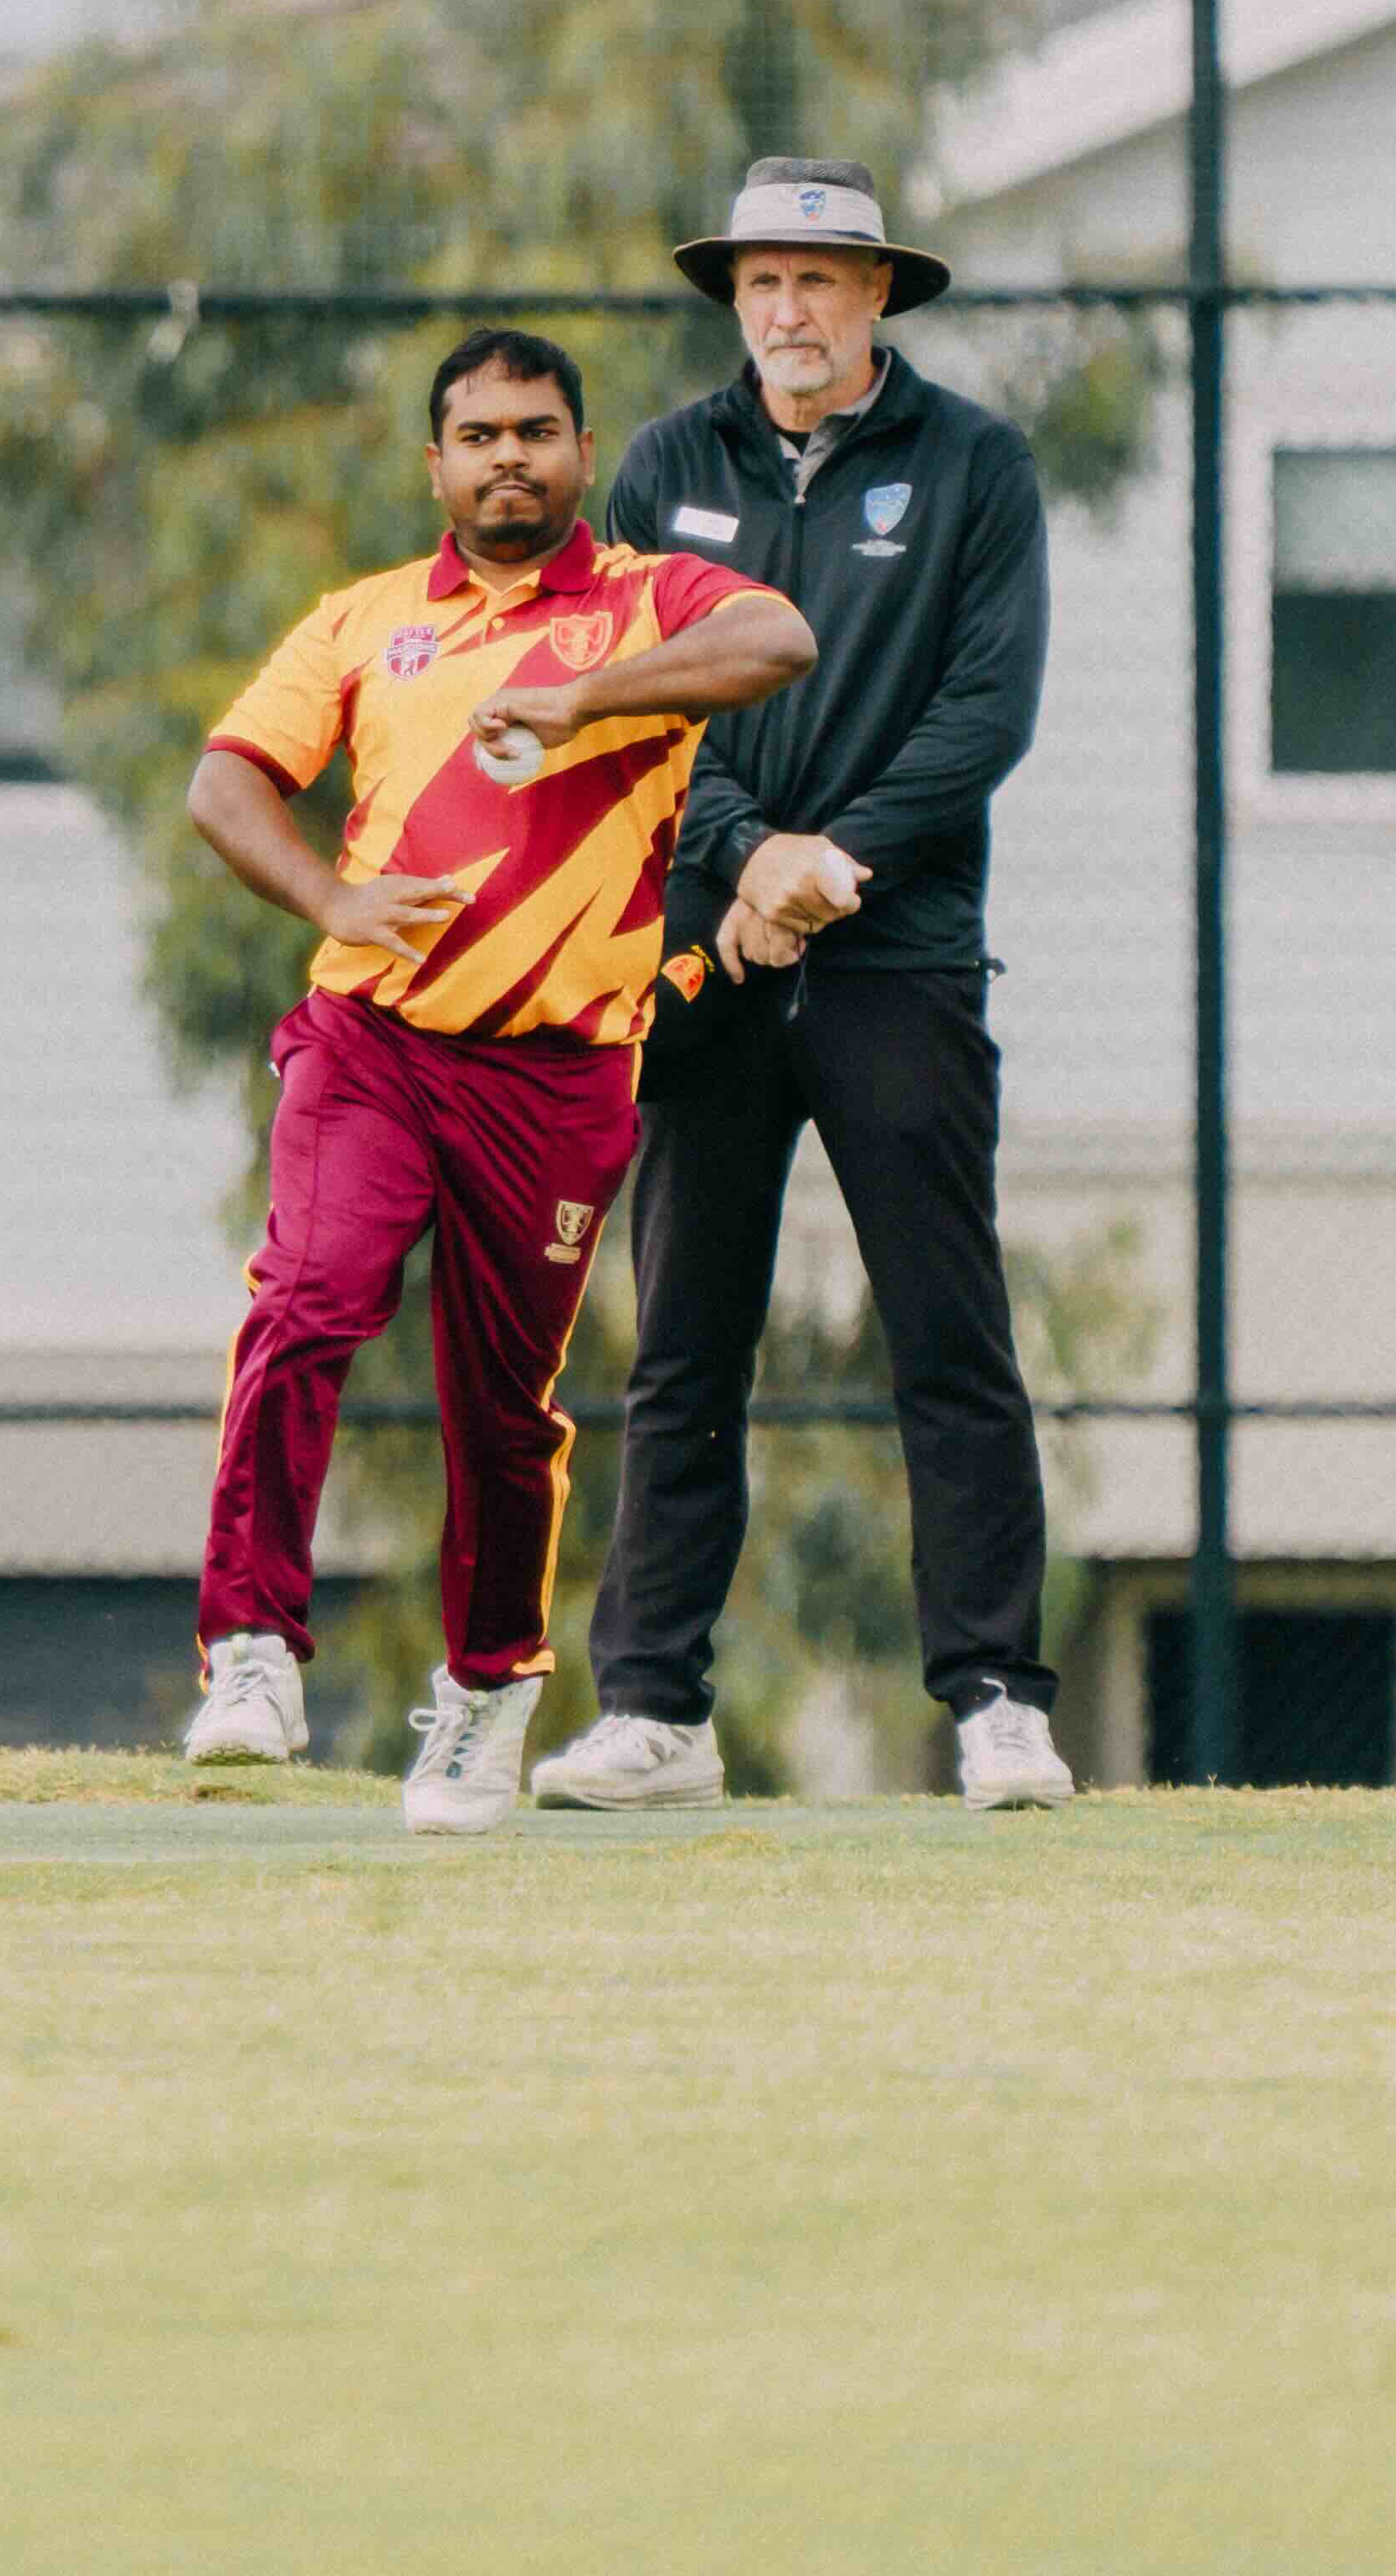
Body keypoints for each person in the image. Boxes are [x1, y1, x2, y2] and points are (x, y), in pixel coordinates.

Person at [176, 328, 816, 1833]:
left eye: (537, 431)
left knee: (502, 1405)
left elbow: (782, 643)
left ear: (583, 453)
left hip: (561, 1077)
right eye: (478, 436)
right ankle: (254, 1646)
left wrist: (584, 704)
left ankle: (485, 1695)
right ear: (437, 465)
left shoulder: (652, 602)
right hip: (374, 1041)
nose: (508, 458)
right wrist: (328, 905)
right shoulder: (365, 619)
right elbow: (225, 784)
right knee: (310, 1297)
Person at [529, 156, 1072, 1815]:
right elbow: (618, 697)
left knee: (947, 1327)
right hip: (703, 939)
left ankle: (994, 1699)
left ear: (879, 295)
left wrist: (835, 858)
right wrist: (750, 850)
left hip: (895, 941)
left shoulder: (975, 465)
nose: (788, 312)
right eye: (763, 281)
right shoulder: (665, 462)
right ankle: (656, 1709)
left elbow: (987, 709)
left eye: (820, 282)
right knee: (686, 1333)